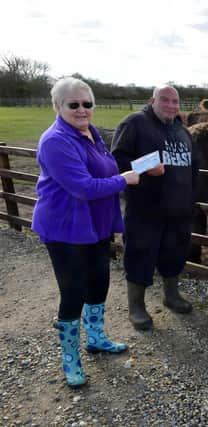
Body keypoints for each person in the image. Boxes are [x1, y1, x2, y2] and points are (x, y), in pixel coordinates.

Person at [32, 77, 140, 387]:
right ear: (58, 106)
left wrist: (122, 176)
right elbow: (81, 187)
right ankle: (70, 360)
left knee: (99, 282)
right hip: (65, 226)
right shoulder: (55, 141)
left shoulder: (91, 133)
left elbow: (101, 172)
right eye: (74, 104)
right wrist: (125, 180)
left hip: (95, 224)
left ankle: (96, 338)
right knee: (74, 291)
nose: (82, 110)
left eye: (87, 104)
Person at [112, 85, 198, 331]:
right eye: (165, 100)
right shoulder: (135, 124)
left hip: (178, 211)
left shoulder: (182, 131)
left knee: (175, 254)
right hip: (145, 210)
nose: (171, 105)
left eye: (175, 101)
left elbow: (194, 168)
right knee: (140, 255)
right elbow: (115, 161)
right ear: (152, 100)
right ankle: (136, 307)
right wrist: (143, 167)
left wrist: (191, 199)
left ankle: (172, 295)